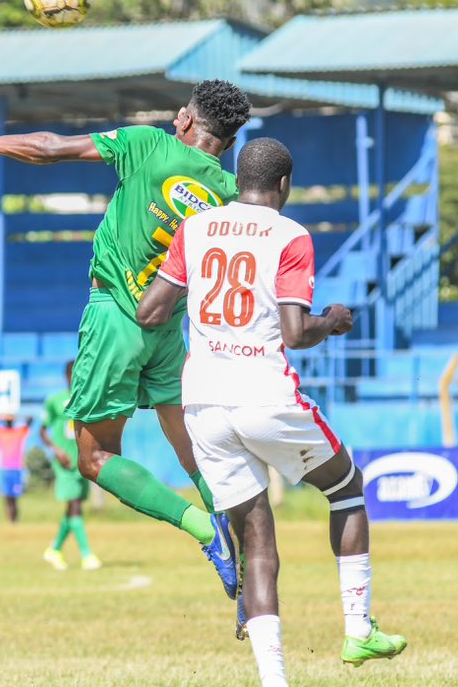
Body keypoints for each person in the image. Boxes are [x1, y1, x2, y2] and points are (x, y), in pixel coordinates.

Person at [0, 79, 252, 598]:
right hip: (172, 328)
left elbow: (51, 149)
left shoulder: (151, 145)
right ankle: (242, 546)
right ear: (230, 143)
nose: (174, 117)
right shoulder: (230, 194)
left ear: (189, 121)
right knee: (194, 452)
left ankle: (201, 529)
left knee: (94, 459)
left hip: (116, 316)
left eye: (180, 113)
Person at [137, 138, 407, 685]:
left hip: (203, 404)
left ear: (239, 180)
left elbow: (150, 311)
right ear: (284, 185)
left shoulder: (197, 228)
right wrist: (332, 319)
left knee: (255, 537)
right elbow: (295, 331)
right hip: (263, 393)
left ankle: (274, 681)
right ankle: (358, 630)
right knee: (347, 488)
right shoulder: (290, 235)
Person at [39, 360, 101, 571]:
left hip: (82, 461)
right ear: (67, 376)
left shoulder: (87, 400)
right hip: (64, 462)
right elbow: (43, 431)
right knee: (75, 506)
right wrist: (57, 451)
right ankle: (87, 555)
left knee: (72, 508)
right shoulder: (55, 401)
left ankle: (54, 549)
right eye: (74, 374)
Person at [0, 413, 33, 523]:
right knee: (7, 498)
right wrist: (1, 417)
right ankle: (10, 521)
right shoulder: (0, 431)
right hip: (5, 469)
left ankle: (15, 521)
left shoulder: (19, 431)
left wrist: (15, 416)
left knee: (15, 499)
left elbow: (30, 419)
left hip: (17, 469)